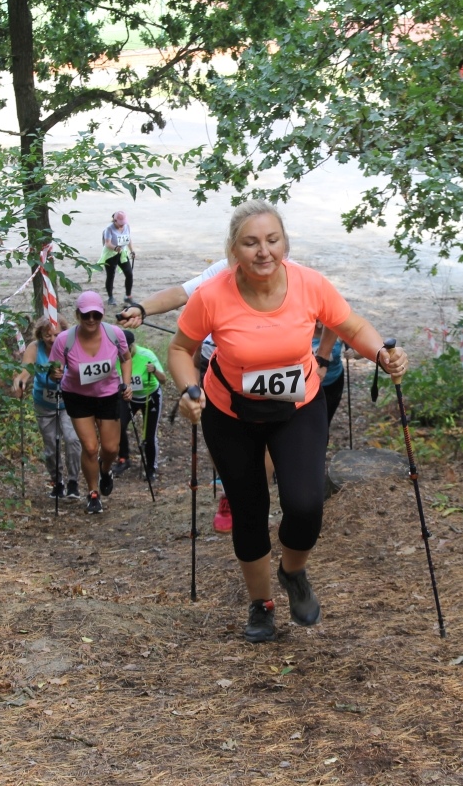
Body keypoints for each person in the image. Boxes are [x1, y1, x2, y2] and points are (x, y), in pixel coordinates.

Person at [168, 200, 407, 643]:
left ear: (285, 243)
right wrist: (188, 389)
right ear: (234, 250)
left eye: (272, 240)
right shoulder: (212, 295)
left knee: (305, 504)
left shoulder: (310, 284)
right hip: (229, 410)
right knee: (249, 508)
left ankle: (293, 573)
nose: (263, 251)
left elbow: (351, 326)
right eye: (251, 242)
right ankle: (261, 604)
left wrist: (382, 353)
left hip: (297, 406)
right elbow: (180, 350)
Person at [118, 258, 235, 533]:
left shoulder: (288, 270)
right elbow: (181, 293)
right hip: (214, 365)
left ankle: (251, 498)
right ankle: (232, 492)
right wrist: (141, 308)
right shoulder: (223, 269)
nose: (260, 251)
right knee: (220, 437)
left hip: (263, 369)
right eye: (248, 242)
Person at [48, 291, 133, 514]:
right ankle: (93, 493)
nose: (91, 320)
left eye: (96, 315)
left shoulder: (115, 334)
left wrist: (126, 384)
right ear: (78, 315)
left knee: (110, 448)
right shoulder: (64, 340)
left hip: (108, 395)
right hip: (77, 397)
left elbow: (126, 358)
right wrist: (54, 374)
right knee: (90, 447)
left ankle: (106, 470)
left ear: (102, 314)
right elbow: (53, 369)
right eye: (86, 316)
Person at [13, 317, 83, 499]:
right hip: (44, 403)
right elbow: (26, 370)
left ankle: (73, 481)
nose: (52, 339)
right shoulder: (35, 348)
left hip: (68, 402)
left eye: (57, 334)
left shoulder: (71, 345)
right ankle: (57, 481)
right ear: (40, 335)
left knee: (72, 439)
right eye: (48, 335)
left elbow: (79, 369)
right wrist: (20, 381)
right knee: (51, 445)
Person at [113, 329, 164, 479]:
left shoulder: (146, 355)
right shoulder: (115, 357)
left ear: (131, 346)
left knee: (149, 436)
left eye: (125, 349)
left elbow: (163, 379)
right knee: (119, 425)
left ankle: (151, 468)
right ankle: (124, 458)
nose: (122, 353)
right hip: (129, 396)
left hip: (150, 396)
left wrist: (154, 370)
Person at [99, 211, 136, 307]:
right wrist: (115, 248)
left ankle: (128, 296)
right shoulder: (109, 229)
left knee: (129, 274)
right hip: (110, 254)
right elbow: (107, 243)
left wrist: (132, 250)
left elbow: (128, 239)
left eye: (123, 223)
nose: (122, 225)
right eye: (120, 223)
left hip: (122, 253)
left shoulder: (127, 226)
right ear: (115, 221)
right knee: (111, 275)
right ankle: (110, 297)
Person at [312, 321, 345, 427]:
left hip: (334, 382)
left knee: (326, 419)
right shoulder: (303, 332)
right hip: (309, 385)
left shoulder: (338, 331)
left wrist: (353, 353)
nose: (318, 325)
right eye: (315, 321)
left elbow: (360, 351)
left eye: (320, 321)